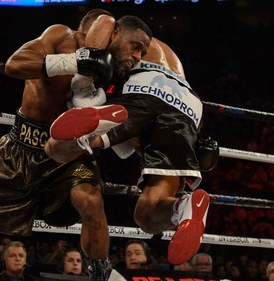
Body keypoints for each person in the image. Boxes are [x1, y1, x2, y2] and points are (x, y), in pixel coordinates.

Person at [0, 9, 152, 281]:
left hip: (69, 150)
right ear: (112, 32)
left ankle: (100, 273)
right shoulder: (61, 36)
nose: (138, 56)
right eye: (136, 47)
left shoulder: (118, 72)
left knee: (91, 202)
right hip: (22, 145)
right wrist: (78, 62)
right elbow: (14, 65)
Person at [45, 35, 217, 265]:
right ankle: (182, 208)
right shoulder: (166, 53)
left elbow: (99, 29)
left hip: (140, 91)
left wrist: (81, 89)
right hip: (188, 106)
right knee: (147, 215)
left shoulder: (118, 31)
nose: (136, 54)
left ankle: (91, 124)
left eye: (138, 50)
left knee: (55, 149)